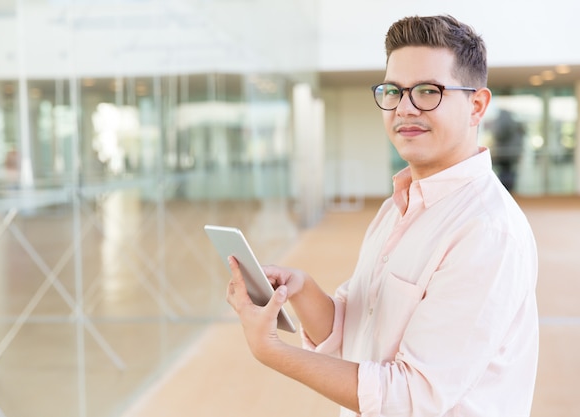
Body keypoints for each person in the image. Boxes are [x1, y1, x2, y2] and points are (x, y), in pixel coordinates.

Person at [226, 14, 538, 417]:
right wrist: (301, 289)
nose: (405, 108)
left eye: (428, 91)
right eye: (393, 91)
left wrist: (272, 351)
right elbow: (355, 329)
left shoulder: (487, 232)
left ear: (476, 105)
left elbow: (411, 397)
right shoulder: (398, 206)